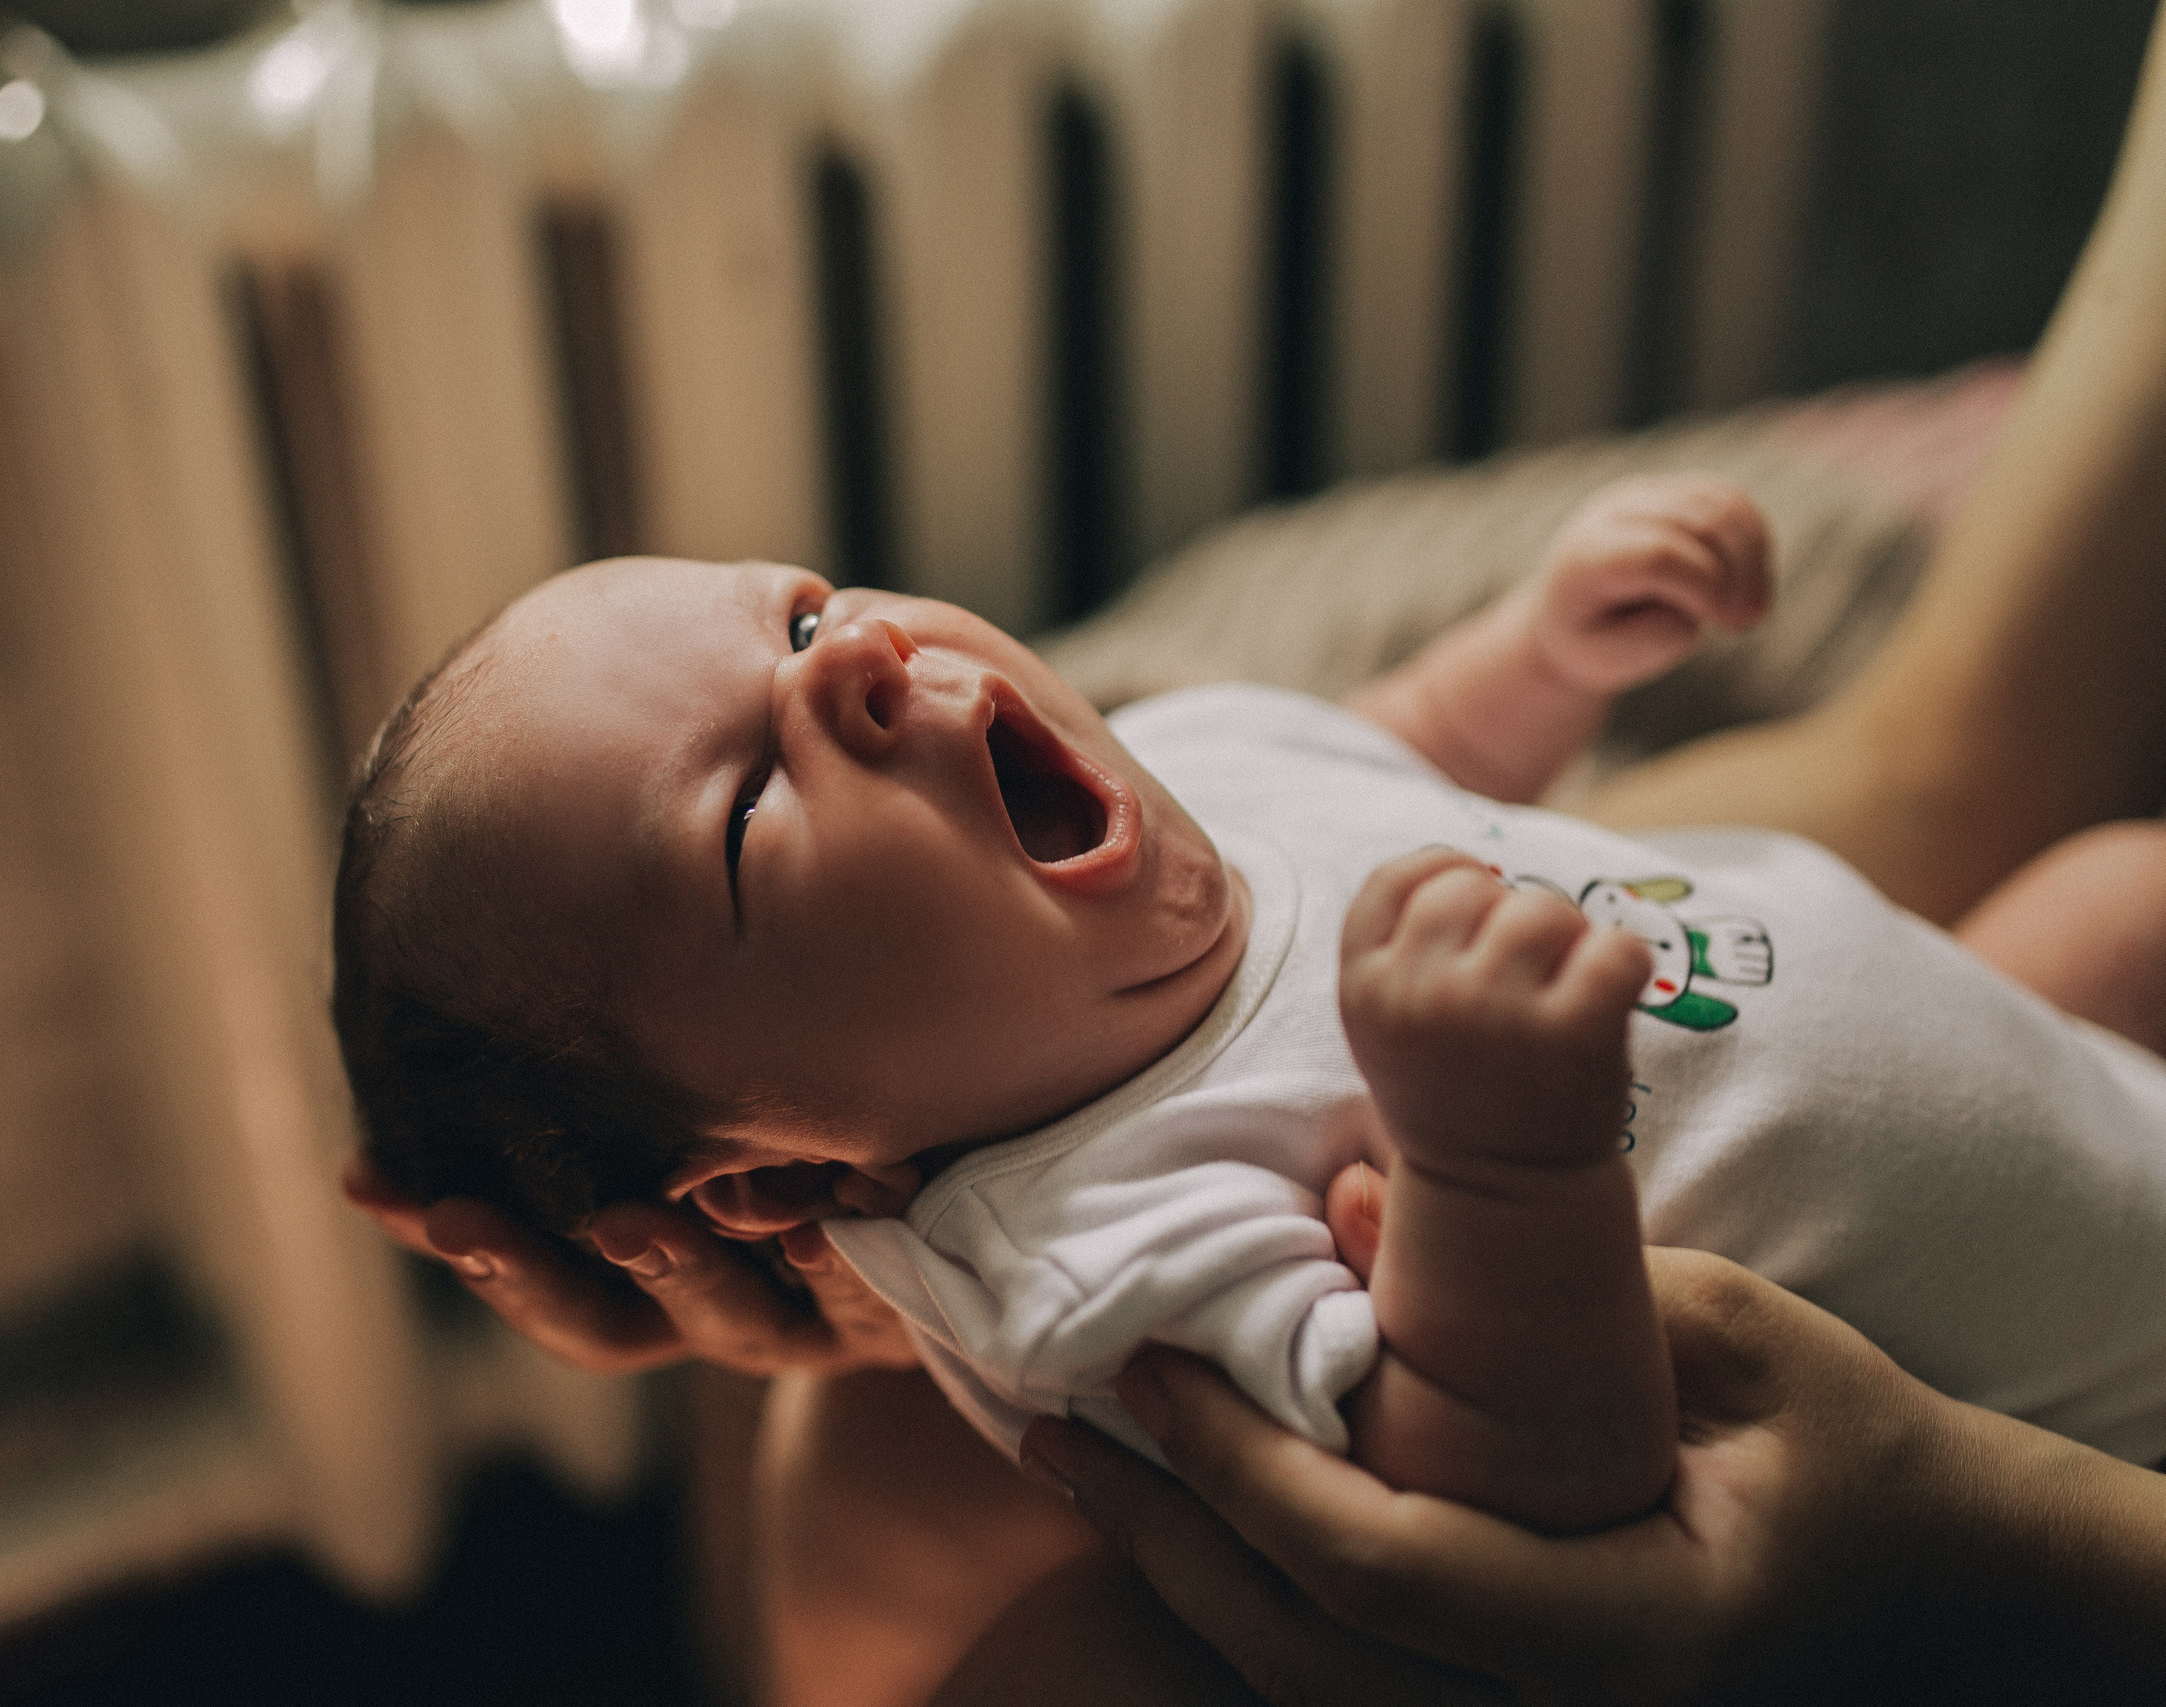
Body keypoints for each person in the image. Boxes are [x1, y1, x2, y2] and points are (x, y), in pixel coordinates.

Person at [346, 0, 2166, 1693]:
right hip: (2071, 1409)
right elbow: (1458, 1508)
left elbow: (1383, 750)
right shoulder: (1112, 1246)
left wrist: (1544, 652)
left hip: (2064, 1109)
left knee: (2116, 904)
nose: (867, 674)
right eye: (745, 811)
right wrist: (1490, 1162)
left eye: (808, 617)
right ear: (770, 1182)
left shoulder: (1179, 758)